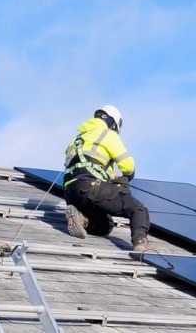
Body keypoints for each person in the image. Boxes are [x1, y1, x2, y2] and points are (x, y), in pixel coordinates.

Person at [62, 105, 153, 252]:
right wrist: (127, 176)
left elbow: (89, 163)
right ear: (112, 124)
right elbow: (127, 165)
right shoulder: (107, 134)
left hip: (71, 193)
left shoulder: (77, 139)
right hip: (91, 187)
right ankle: (141, 243)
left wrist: (110, 176)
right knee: (138, 209)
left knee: (104, 225)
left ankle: (82, 218)